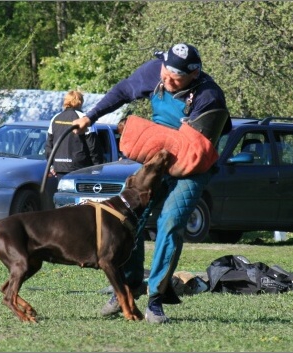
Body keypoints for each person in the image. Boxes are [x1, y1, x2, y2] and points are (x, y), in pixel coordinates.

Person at [73, 43, 232, 323]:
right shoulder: (154, 72)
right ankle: (128, 286)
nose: (167, 80)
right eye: (166, 73)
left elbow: (196, 153)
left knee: (170, 222)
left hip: (192, 167)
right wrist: (90, 116)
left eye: (176, 77)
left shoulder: (210, 97)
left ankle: (156, 299)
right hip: (156, 160)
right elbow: (123, 91)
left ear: (194, 74)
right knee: (128, 218)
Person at [45, 90, 104, 179]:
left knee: (63, 193)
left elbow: (49, 146)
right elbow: (93, 147)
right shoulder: (84, 119)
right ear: (80, 102)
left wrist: (52, 165)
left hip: (59, 168)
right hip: (81, 168)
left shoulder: (55, 118)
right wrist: (98, 168)